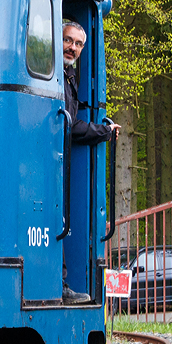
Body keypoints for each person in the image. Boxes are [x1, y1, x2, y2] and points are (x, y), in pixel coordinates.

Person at [61, 20, 120, 304]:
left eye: (78, 44)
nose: (72, 47)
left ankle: (61, 283)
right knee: (55, 217)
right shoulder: (57, 78)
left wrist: (103, 131)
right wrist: (104, 131)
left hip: (59, 159)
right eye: (68, 40)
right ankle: (59, 284)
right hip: (50, 159)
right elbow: (69, 127)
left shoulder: (69, 76)